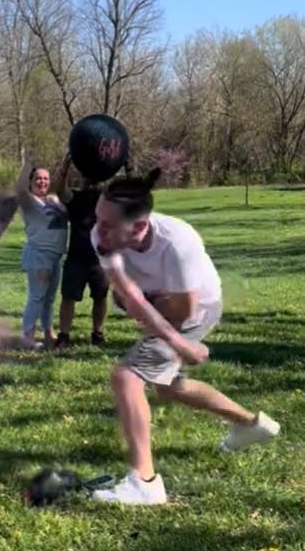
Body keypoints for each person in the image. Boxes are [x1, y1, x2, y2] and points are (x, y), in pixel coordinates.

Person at [90, 169, 280, 505]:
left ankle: (144, 483)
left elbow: (183, 310)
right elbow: (129, 296)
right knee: (166, 385)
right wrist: (175, 341)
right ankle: (252, 425)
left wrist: (176, 337)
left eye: (107, 224)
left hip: (199, 308)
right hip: (165, 306)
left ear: (138, 227)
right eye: (97, 219)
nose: (97, 230)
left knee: (127, 378)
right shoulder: (101, 237)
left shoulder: (177, 243)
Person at [53, 154, 109, 350]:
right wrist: (65, 167)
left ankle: (98, 333)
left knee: (100, 297)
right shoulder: (75, 198)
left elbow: (126, 193)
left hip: (100, 259)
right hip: (76, 258)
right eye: (86, 176)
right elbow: (59, 189)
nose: (88, 180)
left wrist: (123, 166)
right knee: (68, 297)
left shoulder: (106, 198)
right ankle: (64, 335)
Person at [16, 160, 68, 350]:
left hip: (56, 256)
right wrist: (27, 164)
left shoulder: (53, 200)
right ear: (31, 182)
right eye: (38, 178)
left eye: (45, 179)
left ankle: (48, 331)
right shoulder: (29, 201)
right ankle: (28, 336)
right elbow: (19, 188)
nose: (42, 182)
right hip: (39, 255)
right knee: (37, 296)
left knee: (49, 298)